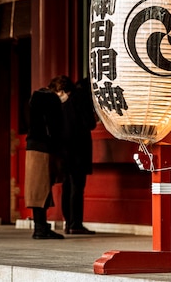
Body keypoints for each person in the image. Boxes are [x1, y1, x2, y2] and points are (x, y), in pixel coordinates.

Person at [24, 76, 68, 239]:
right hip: (45, 147)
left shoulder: (34, 100)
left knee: (36, 188)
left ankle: (40, 226)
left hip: (32, 146)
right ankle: (40, 228)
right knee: (41, 188)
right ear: (61, 91)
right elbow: (56, 127)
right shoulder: (51, 101)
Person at [59, 76, 97, 235]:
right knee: (77, 187)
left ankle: (68, 222)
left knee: (67, 186)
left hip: (65, 148)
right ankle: (76, 223)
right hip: (79, 148)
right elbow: (90, 123)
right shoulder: (82, 99)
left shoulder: (64, 102)